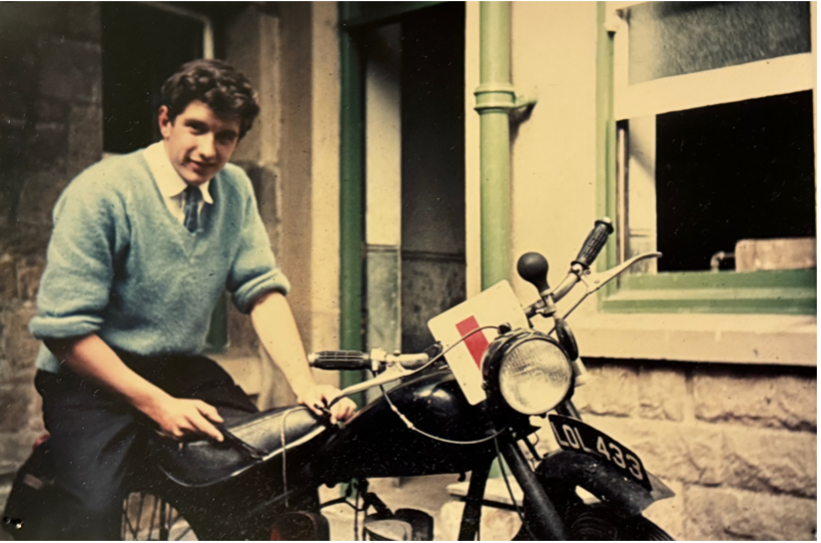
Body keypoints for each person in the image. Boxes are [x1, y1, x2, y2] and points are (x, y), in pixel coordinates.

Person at [24, 59, 357, 540]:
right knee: (92, 512)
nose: (208, 150)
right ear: (165, 121)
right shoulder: (101, 192)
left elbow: (261, 290)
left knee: (279, 463)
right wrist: (158, 405)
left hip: (176, 366)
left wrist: (304, 385)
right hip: (87, 377)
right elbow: (64, 333)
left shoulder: (234, 189)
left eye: (225, 136)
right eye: (195, 128)